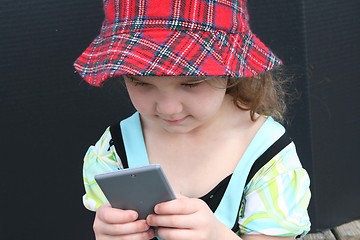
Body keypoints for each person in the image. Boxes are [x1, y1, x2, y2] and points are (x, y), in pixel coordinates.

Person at [74, 0, 311, 239]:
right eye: (141, 83)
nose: (169, 108)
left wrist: (216, 236)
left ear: (230, 69)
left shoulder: (267, 154)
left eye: (191, 83)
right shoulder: (115, 149)